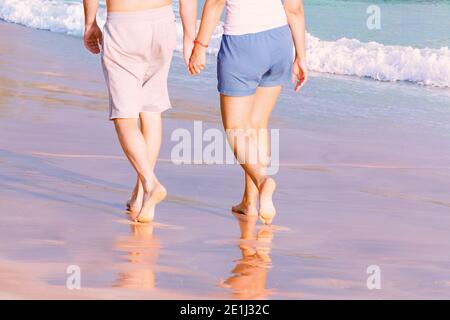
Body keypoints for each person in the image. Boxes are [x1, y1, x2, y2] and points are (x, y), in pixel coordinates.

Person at [189, 0, 308, 224]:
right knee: (258, 123)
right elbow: (295, 9)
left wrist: (200, 46)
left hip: (242, 44)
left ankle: (263, 181)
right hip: (280, 41)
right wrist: (301, 55)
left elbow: (215, 3)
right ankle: (250, 202)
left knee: (235, 128)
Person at [83, 0, 197, 222]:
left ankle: (150, 183)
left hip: (125, 24)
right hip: (163, 24)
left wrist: (90, 23)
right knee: (151, 110)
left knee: (124, 116)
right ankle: (141, 196)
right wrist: (189, 37)